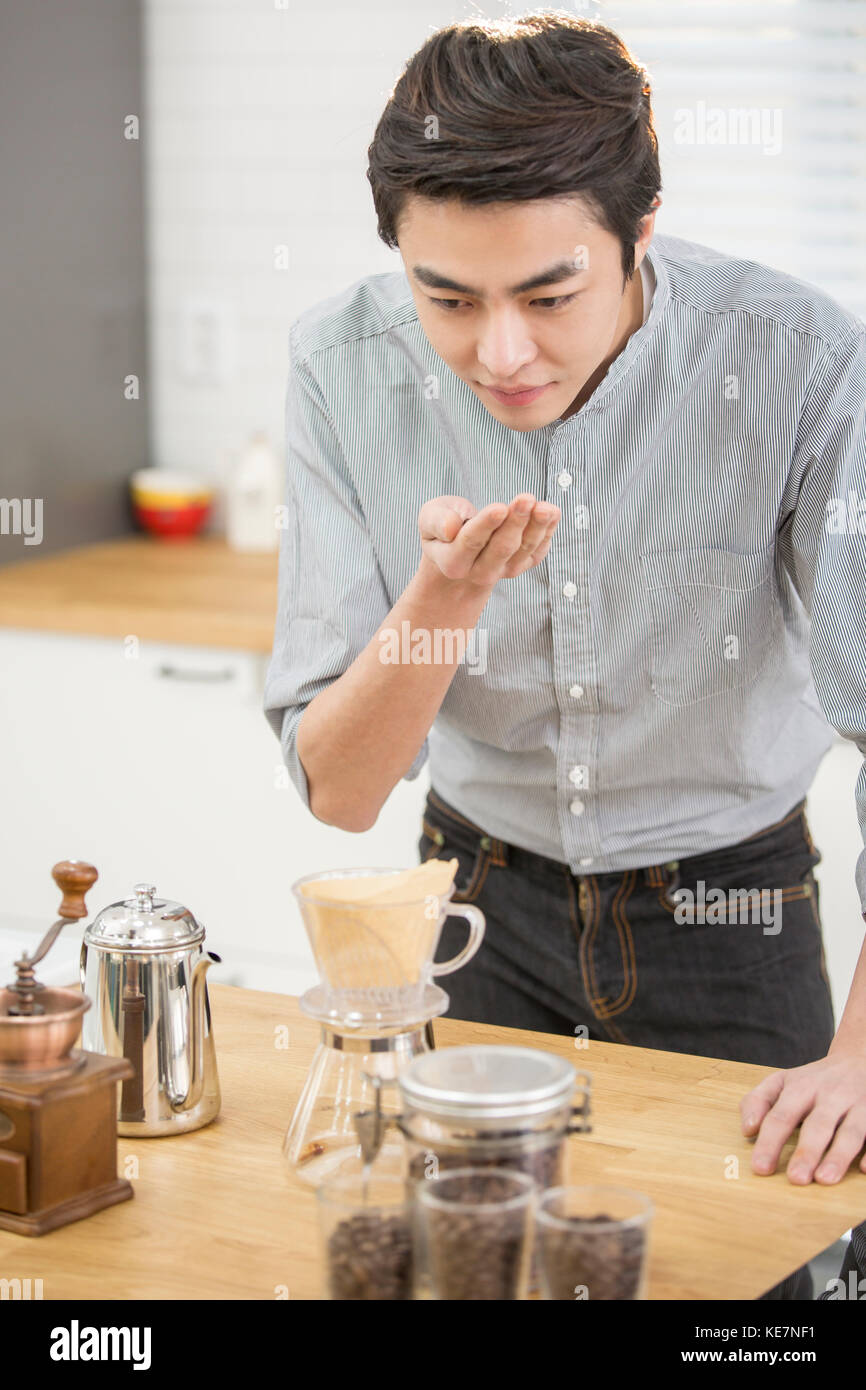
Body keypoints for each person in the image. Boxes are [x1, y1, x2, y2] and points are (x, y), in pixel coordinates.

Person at [264, 13, 866, 1300]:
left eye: (549, 294)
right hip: (473, 912)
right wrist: (443, 594)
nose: (502, 354)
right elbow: (340, 791)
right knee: (471, 1282)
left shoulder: (801, 364)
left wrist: (863, 1056)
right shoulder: (336, 369)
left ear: (637, 232)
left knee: (764, 1297)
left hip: (733, 913)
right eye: (446, 297)